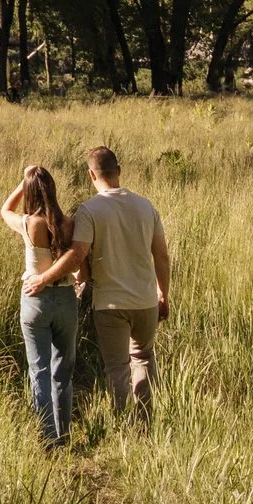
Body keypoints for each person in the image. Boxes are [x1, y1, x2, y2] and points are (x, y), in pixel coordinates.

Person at [70, 145, 171, 423]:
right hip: (145, 299)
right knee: (144, 358)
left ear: (91, 175)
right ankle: (144, 421)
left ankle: (121, 422)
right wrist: (164, 294)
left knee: (116, 368)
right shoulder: (145, 206)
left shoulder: (89, 210)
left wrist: (79, 282)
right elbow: (161, 255)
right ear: (119, 172)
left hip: (110, 303)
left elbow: (79, 254)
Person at [0, 162, 87, 447]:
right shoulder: (69, 223)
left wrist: (22, 183)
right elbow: (81, 269)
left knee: (39, 370)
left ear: (31, 192)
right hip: (65, 299)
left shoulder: (29, 223)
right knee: (63, 371)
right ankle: (64, 433)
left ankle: (47, 436)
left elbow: (4, 211)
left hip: (35, 300)